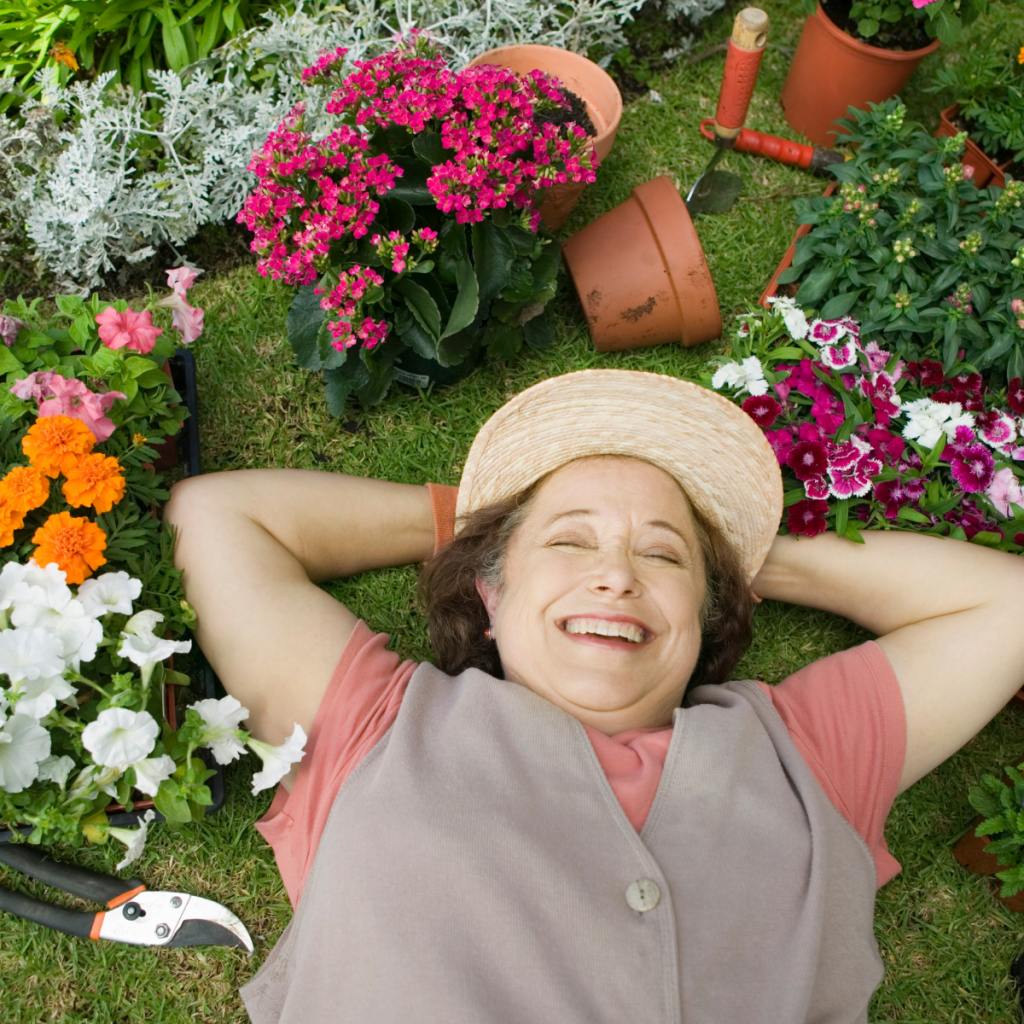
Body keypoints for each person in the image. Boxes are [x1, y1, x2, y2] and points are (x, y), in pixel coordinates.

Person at [164, 369, 1024, 1024]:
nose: (615, 575)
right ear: (491, 596)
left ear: (708, 610)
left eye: (660, 557)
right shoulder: (373, 727)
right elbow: (215, 519)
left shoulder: (806, 754)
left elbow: (1008, 606)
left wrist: (737, 553)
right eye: (569, 544)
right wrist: (475, 517)